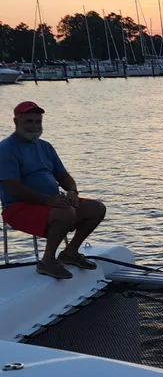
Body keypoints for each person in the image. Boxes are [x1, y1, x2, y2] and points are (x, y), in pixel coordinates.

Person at [0, 101, 106, 279]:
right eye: (29, 121)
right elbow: (13, 187)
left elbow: (64, 177)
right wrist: (48, 200)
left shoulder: (45, 147)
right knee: (66, 213)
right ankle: (47, 262)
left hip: (52, 204)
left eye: (38, 122)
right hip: (18, 208)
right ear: (16, 121)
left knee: (97, 208)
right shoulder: (6, 149)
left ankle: (70, 253)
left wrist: (72, 191)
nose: (35, 126)